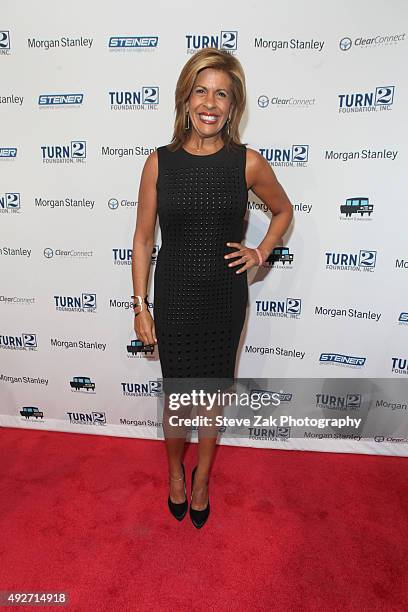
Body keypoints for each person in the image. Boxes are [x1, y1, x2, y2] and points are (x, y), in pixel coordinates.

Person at [131, 48, 293, 528]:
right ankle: (175, 476)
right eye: (201, 90)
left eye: (222, 94)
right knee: (178, 398)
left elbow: (283, 210)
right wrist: (140, 305)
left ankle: (201, 478)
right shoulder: (159, 163)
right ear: (185, 99)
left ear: (233, 107)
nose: (210, 102)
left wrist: (260, 251)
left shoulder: (248, 163)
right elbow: (142, 239)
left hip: (224, 300)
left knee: (211, 398)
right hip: (175, 298)